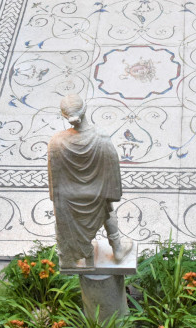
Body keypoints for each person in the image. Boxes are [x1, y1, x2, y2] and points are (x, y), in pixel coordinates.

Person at [47, 95, 133, 270]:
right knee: (108, 208)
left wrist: (59, 200)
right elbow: (113, 180)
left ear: (65, 116)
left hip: (68, 200)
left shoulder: (56, 142)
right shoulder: (102, 138)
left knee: (63, 213)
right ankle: (117, 248)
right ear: (85, 110)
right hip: (97, 195)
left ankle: (69, 257)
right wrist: (106, 194)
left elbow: (54, 182)